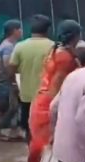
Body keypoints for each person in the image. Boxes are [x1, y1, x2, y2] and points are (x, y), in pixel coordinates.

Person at [25, 20, 81, 162]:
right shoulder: (66, 57)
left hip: (39, 102)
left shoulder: (54, 50)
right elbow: (56, 88)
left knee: (37, 150)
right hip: (48, 106)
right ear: (76, 36)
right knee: (47, 151)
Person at [9, 14, 54, 142]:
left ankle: (31, 153)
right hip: (47, 97)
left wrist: (14, 84)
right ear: (48, 29)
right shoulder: (53, 47)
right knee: (46, 130)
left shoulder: (20, 46)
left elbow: (11, 68)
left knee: (29, 129)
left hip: (26, 97)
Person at [0, 19, 23, 141]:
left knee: (3, 106)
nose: (21, 31)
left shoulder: (8, 44)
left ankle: (8, 130)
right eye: (19, 29)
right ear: (14, 31)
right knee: (5, 106)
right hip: (4, 82)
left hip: (1, 81)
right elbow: (8, 65)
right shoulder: (8, 46)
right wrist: (14, 81)